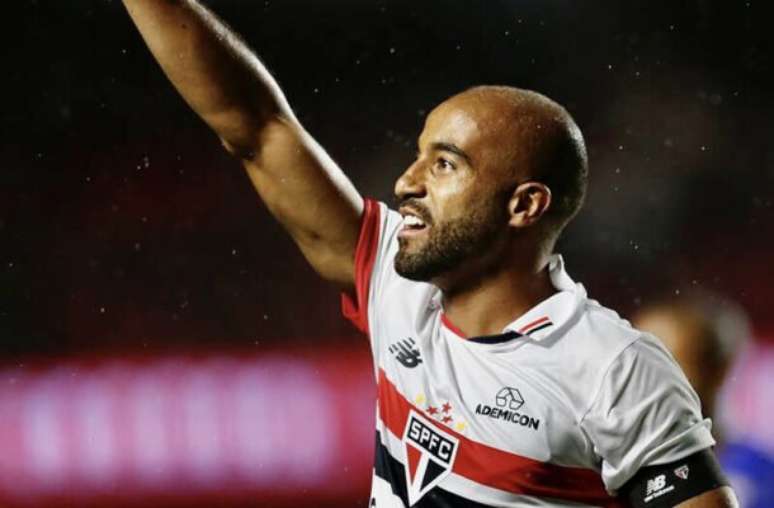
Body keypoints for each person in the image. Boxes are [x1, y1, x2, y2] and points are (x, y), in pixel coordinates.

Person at [122, 1, 737, 506]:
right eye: (419, 155)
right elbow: (258, 128)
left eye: (445, 164)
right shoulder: (398, 286)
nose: (406, 182)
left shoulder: (612, 368)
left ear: (524, 206)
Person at [634, 294, 774, 508]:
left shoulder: (759, 479)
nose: (646, 379)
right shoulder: (599, 474)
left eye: (667, 362)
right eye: (636, 363)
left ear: (719, 370)